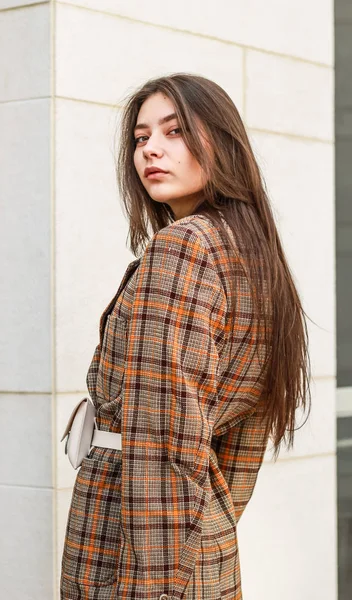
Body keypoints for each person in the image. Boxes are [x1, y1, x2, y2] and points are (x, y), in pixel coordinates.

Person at [60, 73, 311, 600]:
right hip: (200, 542)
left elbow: (163, 432)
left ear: (221, 143)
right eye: (141, 138)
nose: (152, 149)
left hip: (138, 553)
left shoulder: (184, 247)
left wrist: (157, 582)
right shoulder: (251, 254)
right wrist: (202, 532)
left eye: (174, 132)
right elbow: (241, 441)